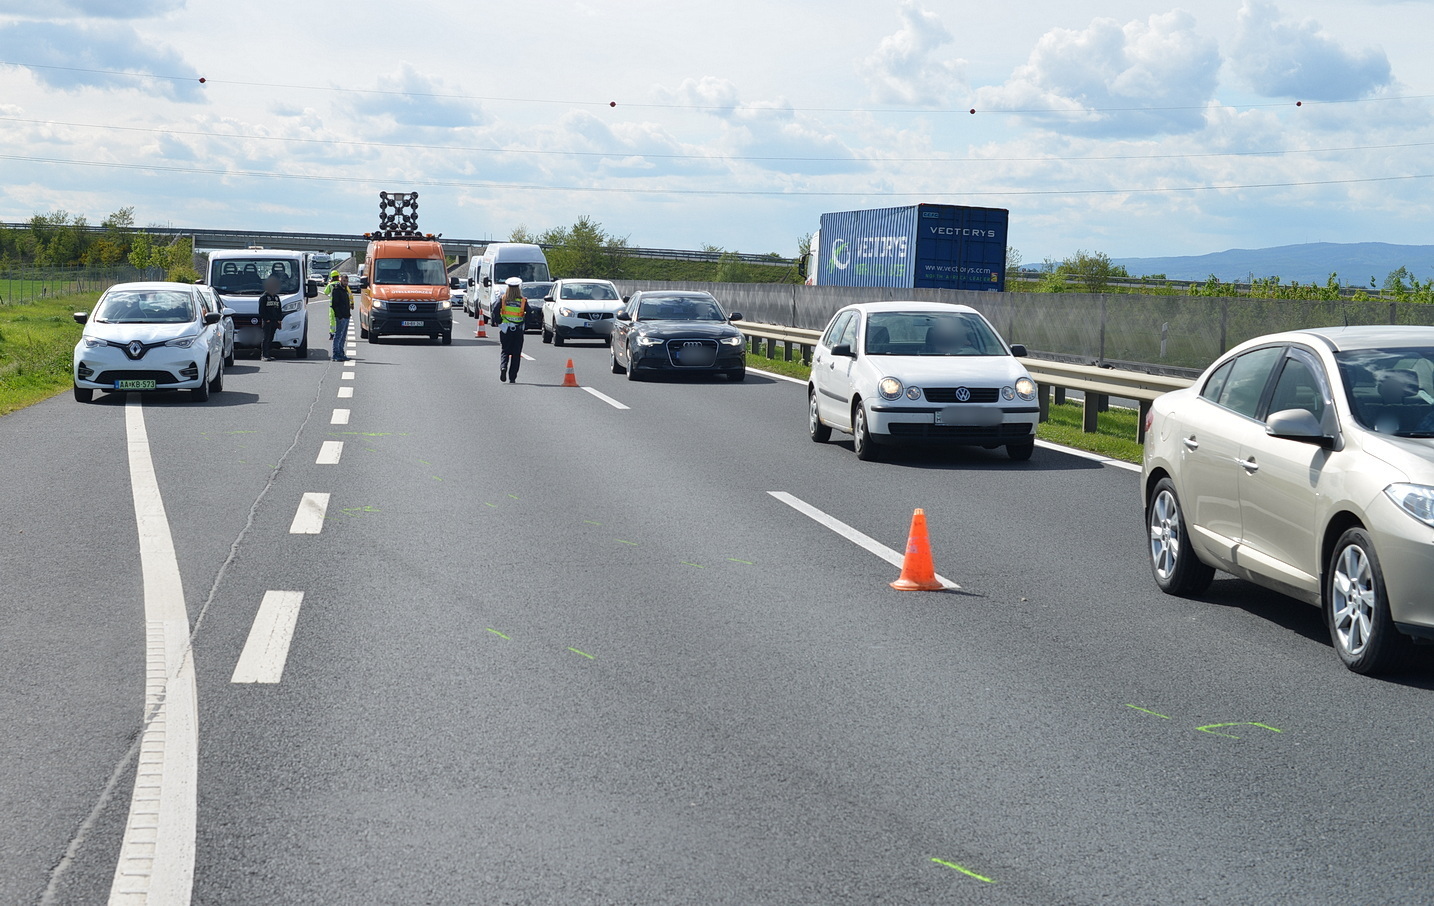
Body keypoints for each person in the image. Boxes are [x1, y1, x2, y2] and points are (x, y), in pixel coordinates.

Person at [494, 276, 527, 383]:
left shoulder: (503, 299)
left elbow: (495, 310)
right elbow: (530, 314)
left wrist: (499, 321)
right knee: (516, 354)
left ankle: (503, 367)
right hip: (517, 330)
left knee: (505, 351)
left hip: (505, 330)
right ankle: (512, 377)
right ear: (518, 289)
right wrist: (524, 323)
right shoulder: (523, 301)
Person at [327, 270, 352, 361]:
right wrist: (340, 316)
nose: (346, 283)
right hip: (340, 317)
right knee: (338, 335)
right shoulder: (337, 289)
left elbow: (347, 303)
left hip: (346, 316)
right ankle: (336, 354)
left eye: (347, 281)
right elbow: (335, 304)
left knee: (343, 336)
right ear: (340, 280)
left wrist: (348, 315)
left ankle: (341, 353)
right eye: (344, 281)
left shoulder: (345, 290)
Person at [258, 275, 285, 360]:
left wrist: (279, 320)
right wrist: (266, 319)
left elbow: (279, 309)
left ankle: (268, 354)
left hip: (275, 321)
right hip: (267, 321)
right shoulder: (264, 297)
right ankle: (264, 355)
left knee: (271, 338)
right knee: (266, 338)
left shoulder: (276, 298)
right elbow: (261, 310)